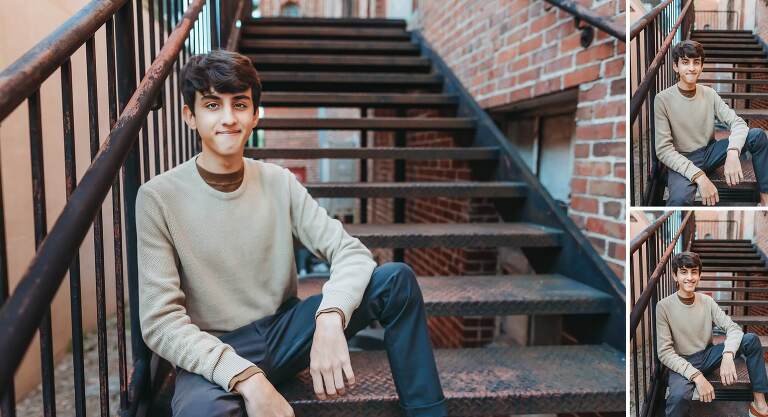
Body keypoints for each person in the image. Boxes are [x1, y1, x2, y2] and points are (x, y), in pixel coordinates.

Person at [136, 50, 446, 417]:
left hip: (287, 330)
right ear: (191, 116)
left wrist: (331, 315)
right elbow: (160, 321)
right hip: (216, 345)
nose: (228, 118)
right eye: (212, 105)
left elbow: (351, 252)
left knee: (396, 280)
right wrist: (246, 377)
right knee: (199, 413)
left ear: (254, 116)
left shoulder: (279, 182)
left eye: (239, 104)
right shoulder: (158, 197)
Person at [653, 40, 768, 206]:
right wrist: (700, 177)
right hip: (682, 158)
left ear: (701, 66)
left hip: (710, 152)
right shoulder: (662, 99)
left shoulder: (709, 94)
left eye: (696, 62)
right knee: (679, 200)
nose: (691, 68)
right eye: (685, 62)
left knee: (757, 136)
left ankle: (765, 198)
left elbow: (738, 123)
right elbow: (663, 150)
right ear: (675, 67)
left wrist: (733, 152)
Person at [656, 251, 768, 417]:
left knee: (750, 340)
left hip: (708, 355)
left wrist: (729, 354)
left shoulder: (707, 301)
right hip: (683, 361)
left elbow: (733, 328)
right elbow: (665, 353)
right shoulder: (663, 306)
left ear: (699, 276)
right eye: (684, 272)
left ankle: (759, 404)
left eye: (694, 272)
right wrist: (697, 377)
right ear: (675, 276)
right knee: (678, 398)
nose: (689, 277)